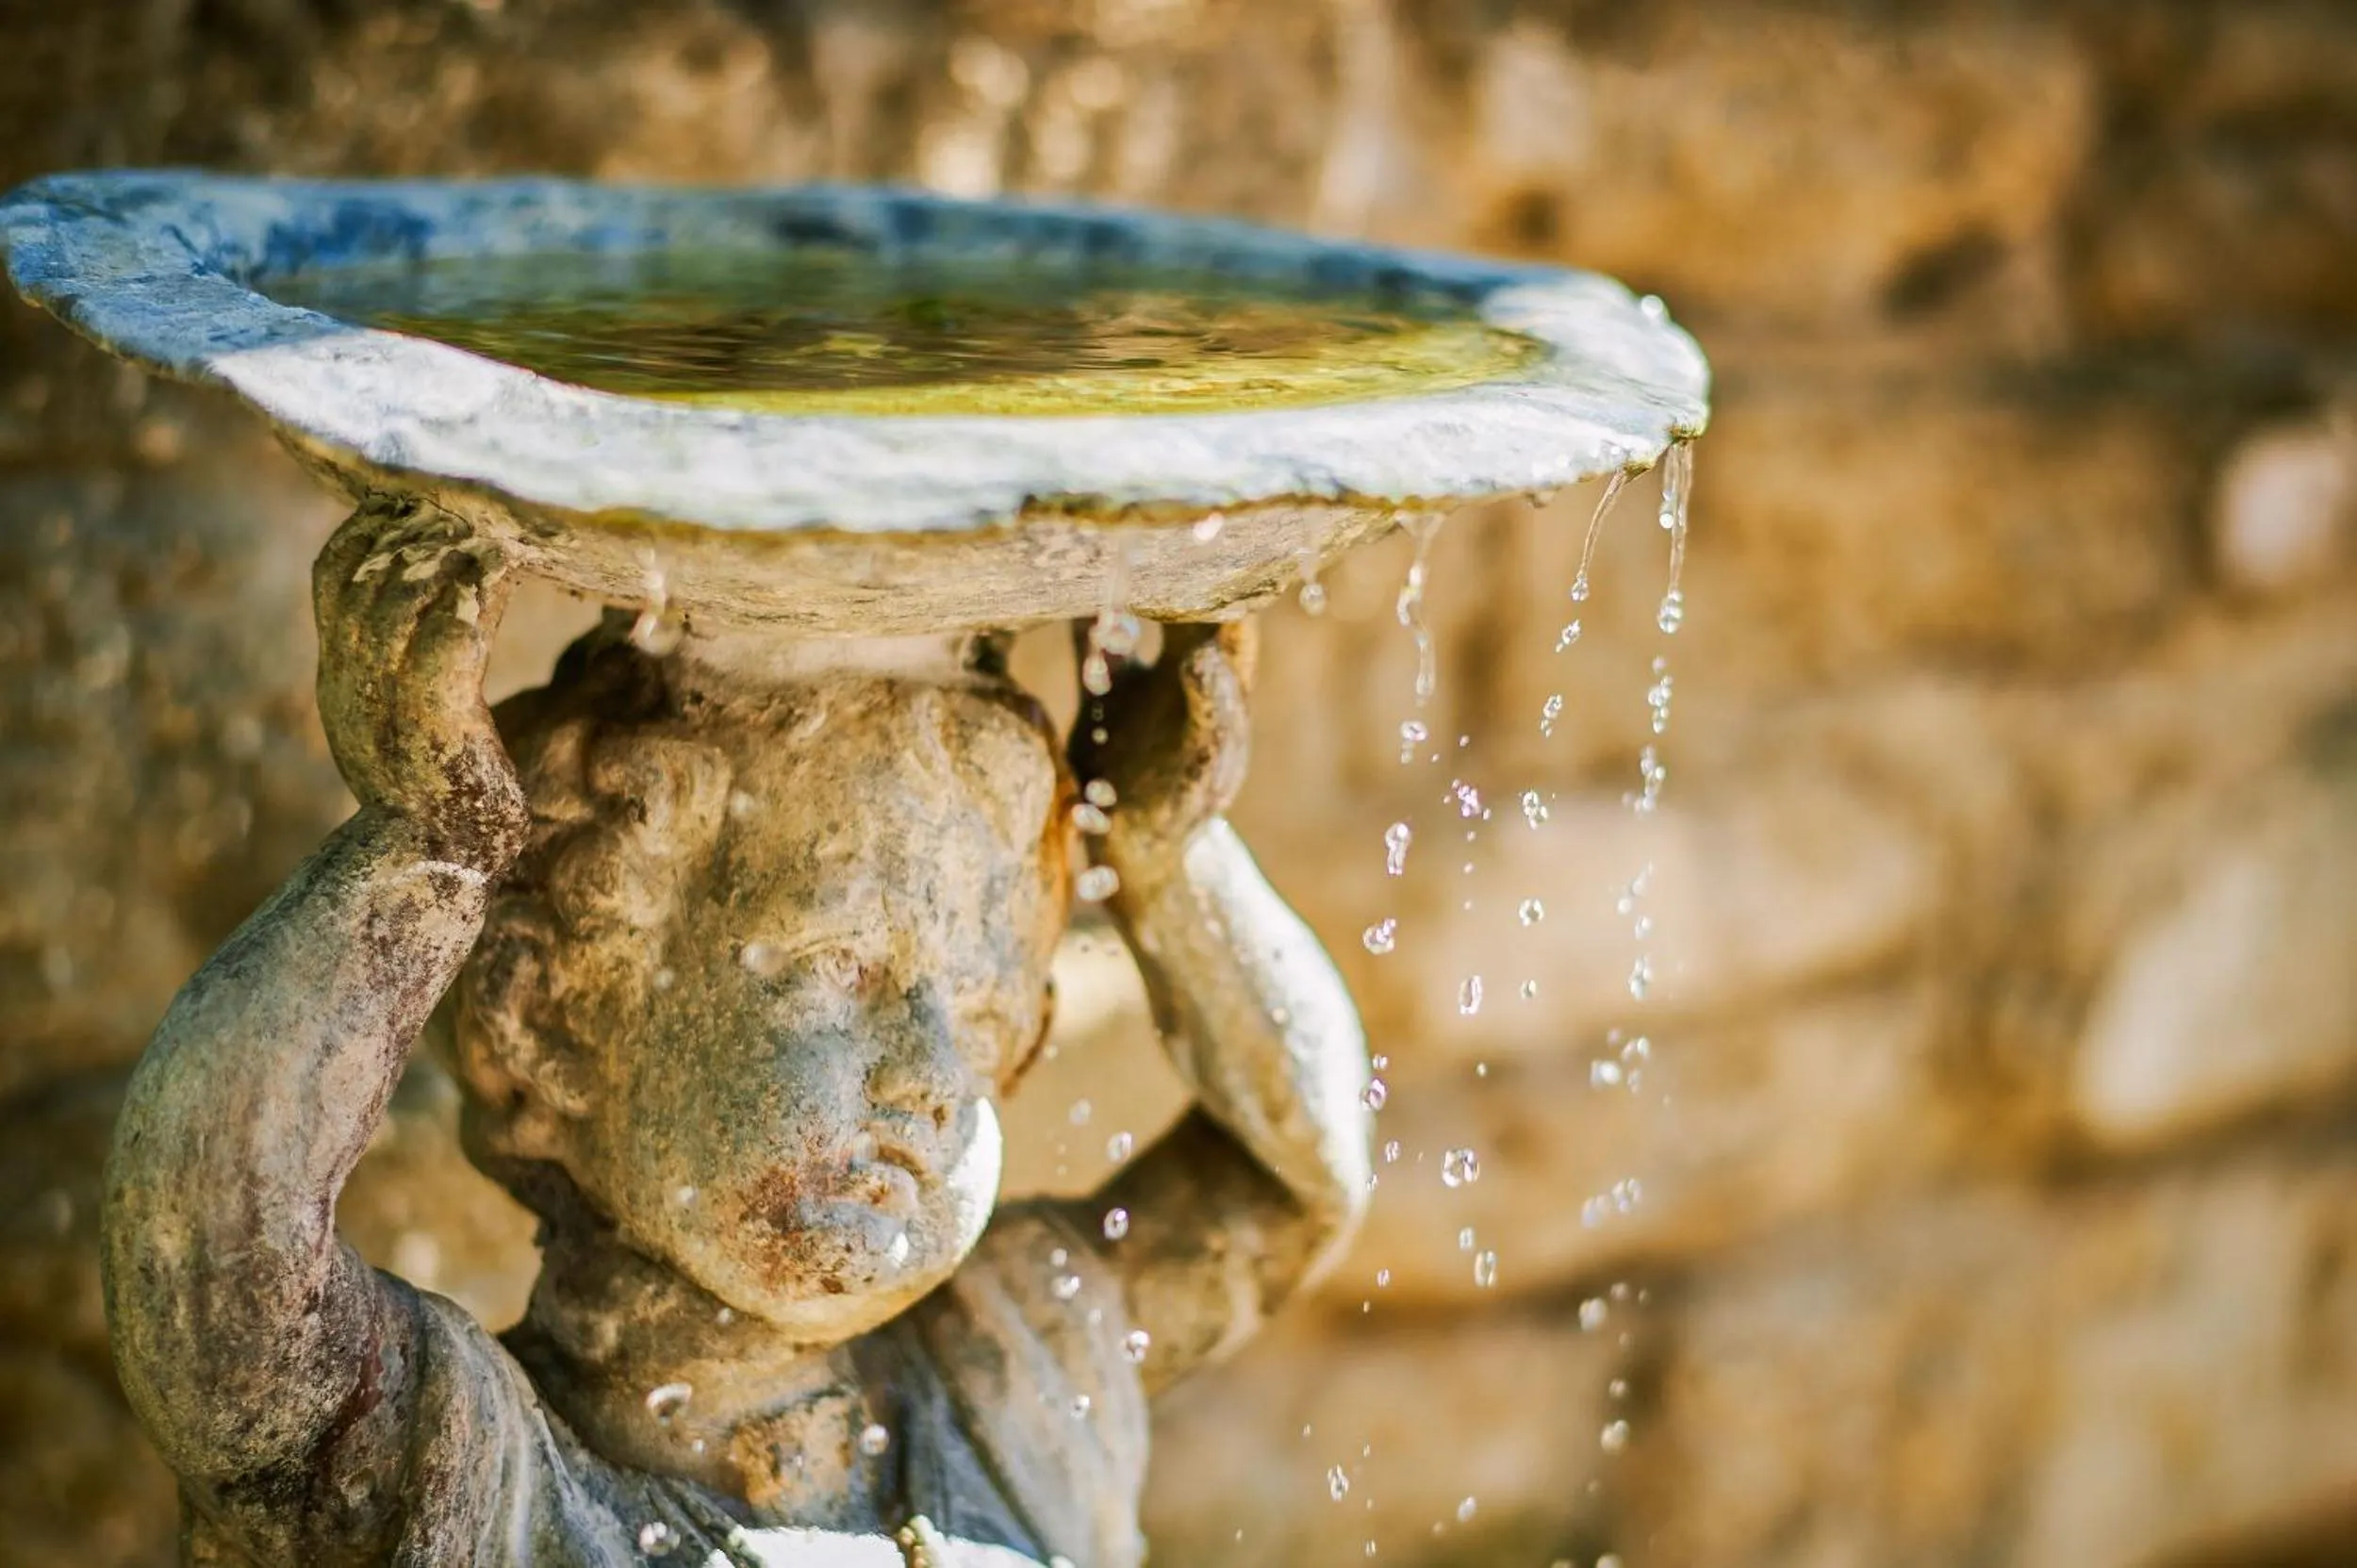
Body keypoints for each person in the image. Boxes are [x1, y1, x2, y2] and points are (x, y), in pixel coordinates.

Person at [103, 498, 1371, 1565]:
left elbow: (1291, 1183)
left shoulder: (1013, 1374)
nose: (933, 1077)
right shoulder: (467, 1475)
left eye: (981, 1019)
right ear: (548, 1015)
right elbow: (216, 1250)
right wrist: (428, 846)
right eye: (837, 970)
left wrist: (1172, 865)